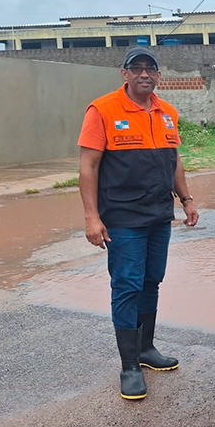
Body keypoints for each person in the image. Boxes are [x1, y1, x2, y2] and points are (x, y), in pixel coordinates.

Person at [78, 47, 199, 400]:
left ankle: (146, 350)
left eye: (151, 68)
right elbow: (89, 167)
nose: (144, 74)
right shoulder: (102, 110)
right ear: (124, 73)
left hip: (159, 215)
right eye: (137, 68)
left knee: (151, 281)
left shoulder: (167, 113)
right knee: (127, 285)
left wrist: (186, 200)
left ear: (158, 76)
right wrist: (91, 217)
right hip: (122, 216)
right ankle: (129, 365)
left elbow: (174, 160)